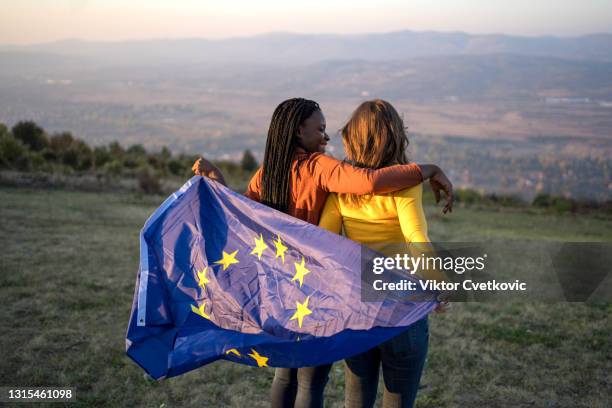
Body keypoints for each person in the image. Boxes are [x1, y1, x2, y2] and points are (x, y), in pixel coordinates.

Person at [193, 97, 453, 408]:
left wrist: (218, 186)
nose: (326, 137)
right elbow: (382, 198)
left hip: (291, 289)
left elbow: (248, 216)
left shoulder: (267, 174)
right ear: (299, 132)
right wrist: (427, 169)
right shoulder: (322, 169)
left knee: (293, 375)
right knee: (316, 381)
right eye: (321, 129)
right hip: (350, 295)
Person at [318, 99, 448, 408]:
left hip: (357, 306)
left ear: (353, 137)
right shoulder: (405, 185)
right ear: (395, 137)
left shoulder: (341, 186)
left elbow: (324, 240)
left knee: (355, 400)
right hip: (402, 307)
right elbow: (416, 237)